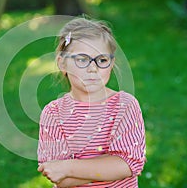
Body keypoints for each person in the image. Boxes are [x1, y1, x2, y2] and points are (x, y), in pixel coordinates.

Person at [37, 17, 146, 188]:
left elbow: (128, 164)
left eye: (102, 60)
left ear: (111, 64)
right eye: (82, 59)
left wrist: (68, 167)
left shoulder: (125, 106)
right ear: (62, 63)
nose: (93, 68)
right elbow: (58, 177)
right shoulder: (54, 113)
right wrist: (109, 165)